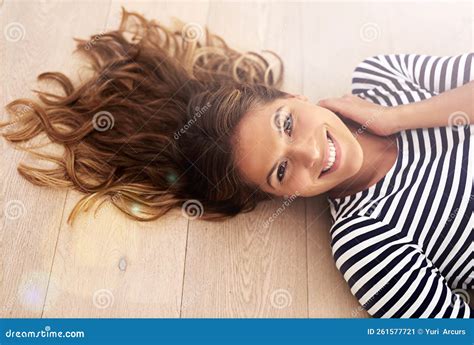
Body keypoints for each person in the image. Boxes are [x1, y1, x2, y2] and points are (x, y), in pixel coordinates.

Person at [1, 8, 472, 318]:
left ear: (293, 97)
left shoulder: (383, 78)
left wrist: (397, 118)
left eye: (287, 124)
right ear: (280, 195)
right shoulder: (368, 245)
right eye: (282, 171)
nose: (310, 153)